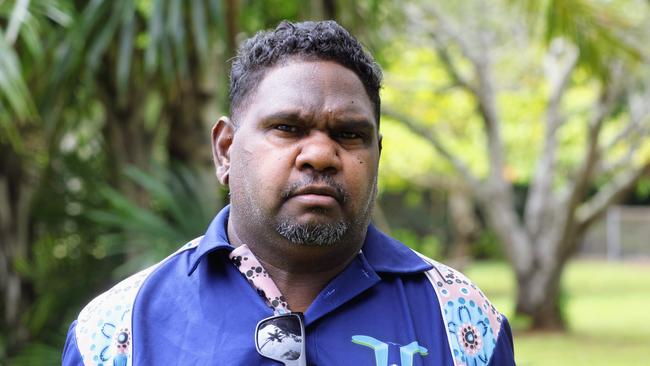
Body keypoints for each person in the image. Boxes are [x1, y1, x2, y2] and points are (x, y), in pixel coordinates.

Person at [62, 20, 515, 366]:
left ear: (377, 154)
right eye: (287, 128)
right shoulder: (116, 330)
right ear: (225, 149)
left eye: (349, 134)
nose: (320, 154)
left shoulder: (462, 321)